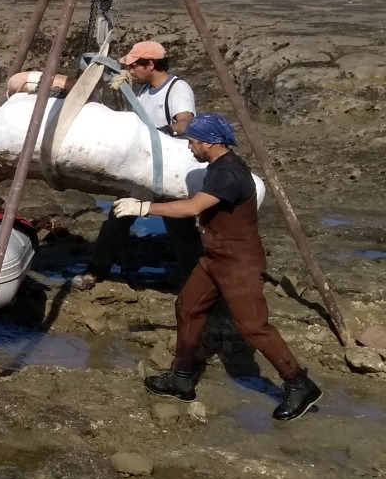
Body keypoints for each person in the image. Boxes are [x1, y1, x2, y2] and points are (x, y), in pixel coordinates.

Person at [113, 112, 321, 421]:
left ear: (211, 143)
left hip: (238, 262)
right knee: (188, 307)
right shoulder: (218, 167)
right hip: (214, 259)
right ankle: (181, 377)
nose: (189, 147)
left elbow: (193, 207)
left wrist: (145, 207)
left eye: (193, 142)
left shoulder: (228, 174)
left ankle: (300, 384)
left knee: (253, 326)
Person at [71, 40, 202, 291]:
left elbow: (186, 122)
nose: (131, 71)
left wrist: (163, 132)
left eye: (135, 66)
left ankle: (197, 283)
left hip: (167, 171)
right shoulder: (142, 91)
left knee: (181, 230)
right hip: (142, 171)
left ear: (151, 64)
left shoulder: (177, 89)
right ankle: (96, 270)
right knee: (117, 219)